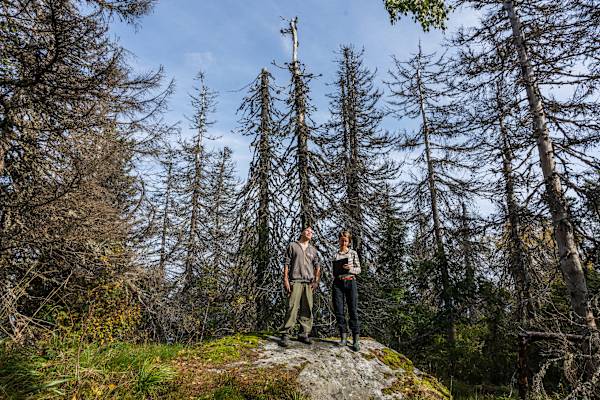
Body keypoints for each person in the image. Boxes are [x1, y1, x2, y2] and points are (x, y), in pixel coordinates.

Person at [280, 226, 321, 347]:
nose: (310, 233)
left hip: (308, 282)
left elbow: (317, 265)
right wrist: (286, 280)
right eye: (308, 231)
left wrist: (316, 281)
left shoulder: (313, 250)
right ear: (302, 232)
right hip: (295, 280)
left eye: (312, 232)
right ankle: (285, 334)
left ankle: (304, 333)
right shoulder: (293, 246)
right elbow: (286, 264)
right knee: (292, 307)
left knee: (307, 307)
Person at [332, 230, 361, 351]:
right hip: (338, 282)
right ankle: (343, 337)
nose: (343, 242)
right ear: (339, 240)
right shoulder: (335, 254)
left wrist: (350, 268)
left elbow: (359, 269)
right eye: (342, 240)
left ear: (349, 242)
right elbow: (333, 270)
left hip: (350, 281)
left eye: (346, 240)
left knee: (353, 310)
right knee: (339, 310)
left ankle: (355, 340)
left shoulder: (353, 253)